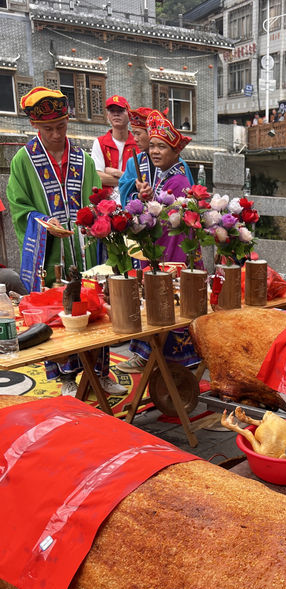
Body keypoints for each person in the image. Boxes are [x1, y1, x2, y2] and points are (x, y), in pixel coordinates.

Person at [6, 86, 125, 397]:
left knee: (92, 311)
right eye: (49, 129)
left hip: (84, 253)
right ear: (35, 126)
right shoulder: (23, 160)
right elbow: (18, 206)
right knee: (57, 315)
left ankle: (99, 372)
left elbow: (96, 201)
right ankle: (65, 378)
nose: (56, 134)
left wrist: (96, 221)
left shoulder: (83, 160)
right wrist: (43, 223)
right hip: (49, 254)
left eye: (61, 126)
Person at [117, 110, 200, 374]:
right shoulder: (166, 175)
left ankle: (161, 360)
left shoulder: (178, 180)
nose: (154, 151)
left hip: (172, 251)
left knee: (165, 301)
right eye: (151, 145)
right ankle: (160, 359)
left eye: (161, 146)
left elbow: (168, 220)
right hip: (164, 249)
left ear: (176, 152)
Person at [119, 106, 193, 208]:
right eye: (152, 145)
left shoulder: (177, 167)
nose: (135, 139)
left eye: (138, 134)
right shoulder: (133, 162)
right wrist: (139, 195)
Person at [90, 95, 137, 205]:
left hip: (133, 203)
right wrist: (129, 180)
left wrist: (115, 172)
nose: (116, 114)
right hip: (106, 204)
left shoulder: (138, 144)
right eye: (112, 111)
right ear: (107, 115)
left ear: (129, 114)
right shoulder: (100, 143)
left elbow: (143, 179)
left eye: (120, 110)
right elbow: (98, 177)